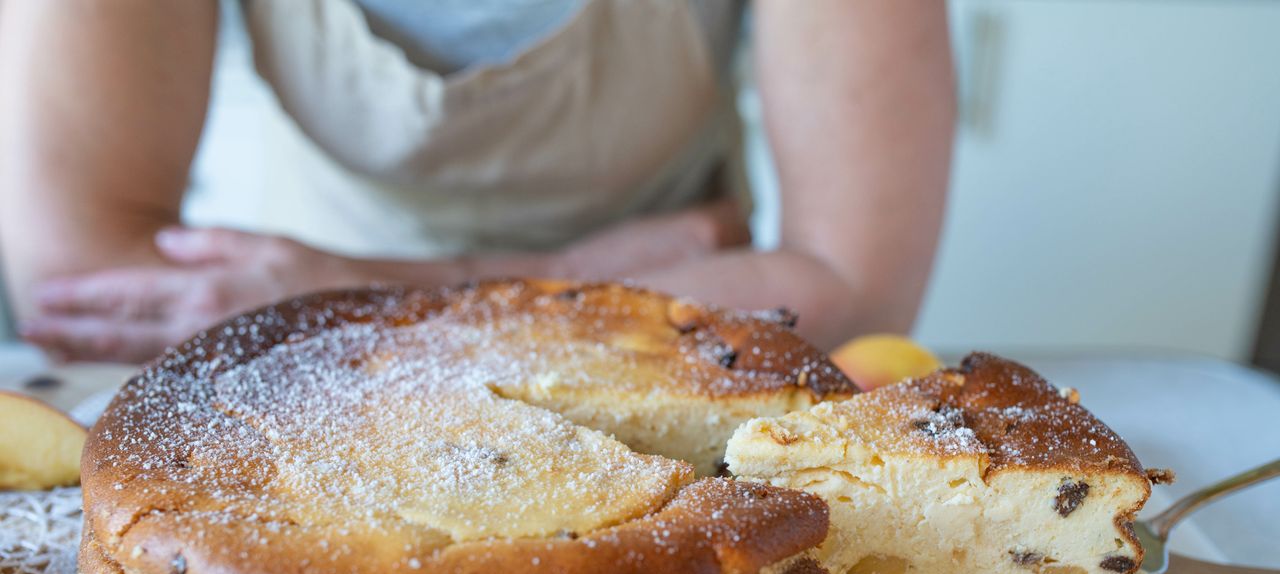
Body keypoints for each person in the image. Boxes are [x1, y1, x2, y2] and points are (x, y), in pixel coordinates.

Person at [0, 0, 954, 363]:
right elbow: (77, 279)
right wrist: (584, 273)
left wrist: (354, 301)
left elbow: (854, 290)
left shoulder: (309, 304)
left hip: (671, 384)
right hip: (310, 385)